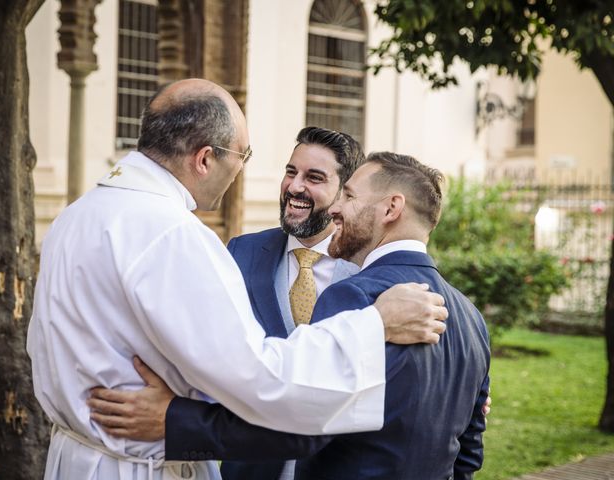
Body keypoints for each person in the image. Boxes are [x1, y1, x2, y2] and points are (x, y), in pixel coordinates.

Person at [27, 79, 448, 479]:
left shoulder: (77, 215)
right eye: (242, 157)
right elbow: (261, 378)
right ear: (206, 158)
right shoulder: (174, 235)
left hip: (77, 457)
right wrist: (374, 325)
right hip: (140, 466)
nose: (241, 173)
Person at [88, 153, 491, 479]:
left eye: (348, 196)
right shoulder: (471, 319)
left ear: (391, 208)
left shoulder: (355, 295)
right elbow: (468, 453)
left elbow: (303, 427)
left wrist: (173, 421)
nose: (335, 208)